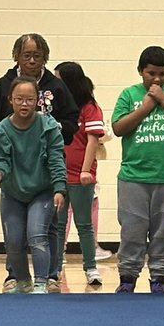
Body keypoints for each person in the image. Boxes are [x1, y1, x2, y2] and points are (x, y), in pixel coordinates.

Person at [0, 34, 77, 292]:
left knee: (42, 233)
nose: (32, 60)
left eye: (37, 55)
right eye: (26, 55)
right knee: (14, 238)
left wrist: (59, 186)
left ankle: (48, 278)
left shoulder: (54, 90)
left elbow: (71, 123)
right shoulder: (3, 89)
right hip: (13, 175)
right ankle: (18, 277)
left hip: (43, 175)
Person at [110, 46, 164, 293]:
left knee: (163, 231)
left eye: (162, 74)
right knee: (132, 230)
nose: (156, 79)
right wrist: (146, 107)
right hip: (134, 175)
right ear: (140, 71)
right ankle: (128, 276)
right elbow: (118, 128)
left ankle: (159, 277)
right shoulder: (129, 94)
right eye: (151, 73)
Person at [0, 76, 66, 294]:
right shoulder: (1, 130)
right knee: (13, 241)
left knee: (37, 235)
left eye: (30, 99)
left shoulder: (49, 127)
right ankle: (22, 281)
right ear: (10, 99)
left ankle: (42, 282)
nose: (24, 104)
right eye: (19, 99)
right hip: (13, 192)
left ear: (37, 100)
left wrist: (59, 188)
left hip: (43, 190)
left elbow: (56, 159)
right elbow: (2, 160)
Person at [54, 60, 106, 288]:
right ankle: (55, 268)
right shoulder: (58, 108)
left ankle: (91, 268)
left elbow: (93, 140)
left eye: (58, 80)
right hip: (58, 174)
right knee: (57, 224)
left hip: (80, 175)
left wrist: (86, 170)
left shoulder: (89, 107)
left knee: (84, 225)